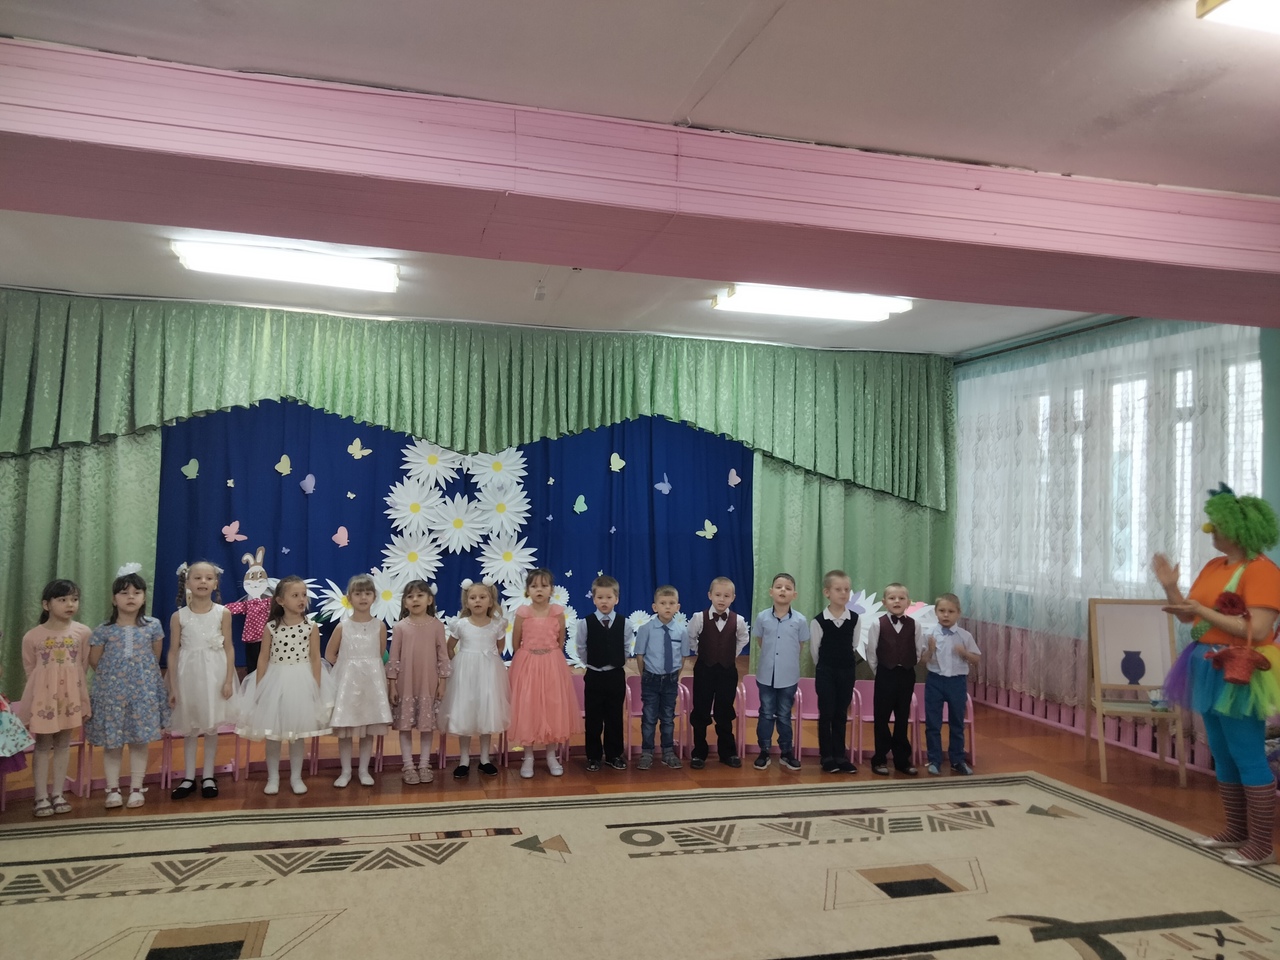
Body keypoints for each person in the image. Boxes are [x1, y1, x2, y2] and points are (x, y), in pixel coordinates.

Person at [1156, 484, 1280, 868]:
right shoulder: (1214, 567)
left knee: (1247, 753)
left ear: (1239, 530)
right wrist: (1170, 587)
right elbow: (1189, 615)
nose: (1210, 530)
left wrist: (1203, 612)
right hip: (1207, 663)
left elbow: (1259, 630)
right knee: (1222, 753)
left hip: (1240, 669)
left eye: (1217, 524)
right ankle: (1236, 831)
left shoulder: (1262, 571)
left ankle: (1261, 845)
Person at [237, 576, 333, 795]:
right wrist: (260, 687)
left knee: (296, 734)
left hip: (301, 681)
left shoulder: (310, 627)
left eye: (304, 595)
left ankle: (296, 777)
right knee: (273, 734)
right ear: (280, 600)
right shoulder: (271, 627)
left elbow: (315, 658)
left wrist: (316, 687)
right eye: (295, 595)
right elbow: (263, 658)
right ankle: (273, 777)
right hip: (275, 681)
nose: (301, 599)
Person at [85, 565, 170, 809]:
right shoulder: (104, 630)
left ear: (144, 597)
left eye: (136, 592)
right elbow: (95, 661)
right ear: (114, 599)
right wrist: (115, 679)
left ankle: (136, 787)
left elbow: (154, 657)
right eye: (124, 593)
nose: (130, 597)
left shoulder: (153, 626)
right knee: (112, 743)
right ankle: (112, 789)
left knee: (139, 741)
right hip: (111, 695)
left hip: (143, 693)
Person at [18, 579, 91, 817]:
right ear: (46, 604)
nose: (70, 604)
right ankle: (40, 796)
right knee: (42, 744)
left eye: (74, 599)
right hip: (44, 699)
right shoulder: (32, 636)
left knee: (63, 743)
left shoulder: (83, 632)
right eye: (63, 600)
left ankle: (58, 793)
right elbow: (30, 669)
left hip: (70, 697)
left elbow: (81, 666)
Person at [168, 561, 236, 800]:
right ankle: (188, 777)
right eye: (197, 578)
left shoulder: (223, 613)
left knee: (210, 725)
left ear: (215, 583)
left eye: (208, 578)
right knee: (190, 727)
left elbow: (229, 648)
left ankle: (208, 775)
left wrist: (228, 680)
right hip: (188, 675)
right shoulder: (179, 616)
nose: (203, 582)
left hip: (214, 675)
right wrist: (172, 685)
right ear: (187, 582)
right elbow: (173, 652)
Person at [508, 568, 581, 779]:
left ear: (551, 589)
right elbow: (516, 642)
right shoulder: (523, 613)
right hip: (528, 664)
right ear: (527, 590)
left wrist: (549, 655)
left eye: (544, 586)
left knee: (552, 707)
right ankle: (528, 757)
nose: (539, 590)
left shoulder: (557, 612)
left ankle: (551, 755)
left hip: (551, 663)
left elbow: (560, 640)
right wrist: (528, 658)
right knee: (528, 708)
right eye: (534, 586)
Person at [438, 579, 510, 780]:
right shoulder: (461, 624)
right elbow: (449, 647)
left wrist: (487, 660)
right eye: (473, 597)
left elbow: (500, 647)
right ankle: (464, 759)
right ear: (467, 602)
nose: (477, 601)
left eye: (482, 597)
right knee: (465, 712)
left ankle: (485, 759)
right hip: (465, 672)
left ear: (490, 601)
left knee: (487, 711)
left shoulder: (497, 624)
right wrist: (461, 662)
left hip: (489, 672)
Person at [325, 573, 392, 788]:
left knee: (368, 727)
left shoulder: (379, 626)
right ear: (349, 598)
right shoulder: (343, 626)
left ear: (374, 597)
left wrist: (367, 667)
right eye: (358, 593)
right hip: (347, 683)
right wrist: (347, 667)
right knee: (346, 729)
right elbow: (329, 654)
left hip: (371, 683)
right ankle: (345, 771)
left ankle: (363, 769)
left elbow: (379, 653)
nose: (363, 597)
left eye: (367, 593)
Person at [386, 579, 451, 785]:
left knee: (426, 726)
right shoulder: (399, 627)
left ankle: (424, 764)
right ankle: (408, 765)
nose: (415, 599)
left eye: (420, 595)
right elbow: (393, 658)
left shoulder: (437, 626)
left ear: (429, 600)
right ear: (404, 602)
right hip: (405, 683)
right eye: (410, 596)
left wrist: (442, 682)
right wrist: (392, 684)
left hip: (428, 683)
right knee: (405, 726)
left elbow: (443, 656)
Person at [686, 576, 749, 768]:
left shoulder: (738, 620)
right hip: (704, 670)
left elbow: (743, 639)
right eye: (718, 595)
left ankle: (727, 752)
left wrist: (731, 655)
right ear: (710, 595)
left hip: (727, 672)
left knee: (725, 711)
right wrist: (701, 652)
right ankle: (699, 752)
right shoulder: (699, 617)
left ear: (733, 598)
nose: (722, 599)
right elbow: (691, 637)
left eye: (726, 596)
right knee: (701, 710)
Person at [574, 574, 632, 772]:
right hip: (594, 676)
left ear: (616, 599)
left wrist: (615, 661)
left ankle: (614, 754)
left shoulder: (625, 623)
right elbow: (581, 648)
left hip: (615, 675)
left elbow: (626, 647)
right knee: (593, 718)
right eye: (600, 597)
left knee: (615, 717)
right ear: (593, 599)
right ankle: (593, 756)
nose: (604, 601)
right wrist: (591, 663)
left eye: (608, 597)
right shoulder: (585, 623)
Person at [918, 593, 980, 776]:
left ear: (958, 613)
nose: (946, 615)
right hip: (935, 681)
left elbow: (976, 659)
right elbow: (922, 660)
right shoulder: (928, 634)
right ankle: (934, 760)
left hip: (957, 682)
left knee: (957, 723)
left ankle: (957, 760)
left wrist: (964, 653)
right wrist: (930, 650)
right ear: (936, 612)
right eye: (942, 611)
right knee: (933, 723)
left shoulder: (965, 636)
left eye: (951, 611)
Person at [751, 573, 807, 771]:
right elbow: (760, 641)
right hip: (766, 675)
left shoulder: (800, 620)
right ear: (771, 592)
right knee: (766, 713)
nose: (783, 590)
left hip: (788, 677)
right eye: (779, 586)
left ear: (794, 594)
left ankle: (786, 752)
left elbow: (800, 645)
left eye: (788, 588)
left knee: (784, 714)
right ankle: (764, 751)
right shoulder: (762, 617)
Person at [632, 585, 692, 770]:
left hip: (670, 680)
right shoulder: (646, 629)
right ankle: (647, 752)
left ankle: (668, 751)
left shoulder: (682, 631)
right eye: (663, 603)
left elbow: (683, 657)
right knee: (649, 717)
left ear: (678, 607)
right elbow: (640, 655)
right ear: (654, 607)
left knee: (668, 717)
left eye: (671, 603)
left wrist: (674, 675)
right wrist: (645, 675)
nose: (667, 607)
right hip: (650, 679)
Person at [865, 582, 919, 776]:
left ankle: (902, 760)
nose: (897, 601)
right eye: (892, 598)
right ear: (884, 602)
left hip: (906, 675)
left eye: (901, 598)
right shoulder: (877, 624)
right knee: (882, 717)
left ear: (908, 602)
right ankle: (880, 758)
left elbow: (918, 649)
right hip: (885, 674)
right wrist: (881, 671)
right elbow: (871, 652)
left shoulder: (915, 624)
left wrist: (906, 664)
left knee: (902, 718)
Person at [810, 570, 860, 774]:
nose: (843, 593)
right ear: (827, 592)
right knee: (827, 713)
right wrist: (825, 668)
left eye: (847, 589)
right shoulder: (818, 621)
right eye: (838, 589)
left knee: (841, 713)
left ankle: (840, 755)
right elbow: (815, 651)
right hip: (826, 672)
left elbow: (854, 645)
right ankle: (827, 756)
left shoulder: (854, 619)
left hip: (846, 672)